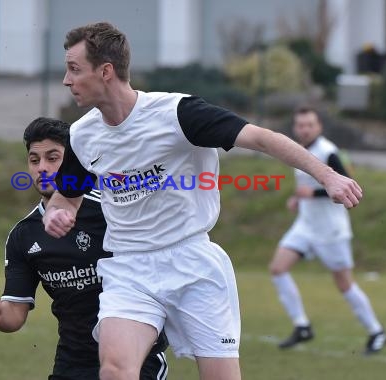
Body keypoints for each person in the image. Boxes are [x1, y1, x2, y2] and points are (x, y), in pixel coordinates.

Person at [42, 22, 362, 380]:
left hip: (191, 263)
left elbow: (262, 138)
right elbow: (64, 198)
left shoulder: (177, 114)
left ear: (105, 71)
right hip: (129, 267)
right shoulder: (82, 135)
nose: (67, 81)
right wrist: (56, 213)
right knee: (116, 371)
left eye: (74, 69)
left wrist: (328, 175)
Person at [0, 117, 169, 380]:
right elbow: (15, 313)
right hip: (73, 363)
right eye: (34, 160)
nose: (42, 167)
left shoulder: (113, 212)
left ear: (74, 161)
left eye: (53, 158)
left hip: (135, 356)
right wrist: (0, 315)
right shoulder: (24, 236)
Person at [269, 106, 386, 355]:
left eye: (309, 125)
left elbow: (350, 185)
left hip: (331, 231)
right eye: (300, 125)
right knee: (278, 269)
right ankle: (302, 326)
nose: (304, 129)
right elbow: (306, 186)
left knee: (344, 284)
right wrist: (298, 199)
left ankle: (376, 331)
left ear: (319, 127)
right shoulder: (299, 151)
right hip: (305, 226)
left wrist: (312, 193)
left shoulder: (330, 152)